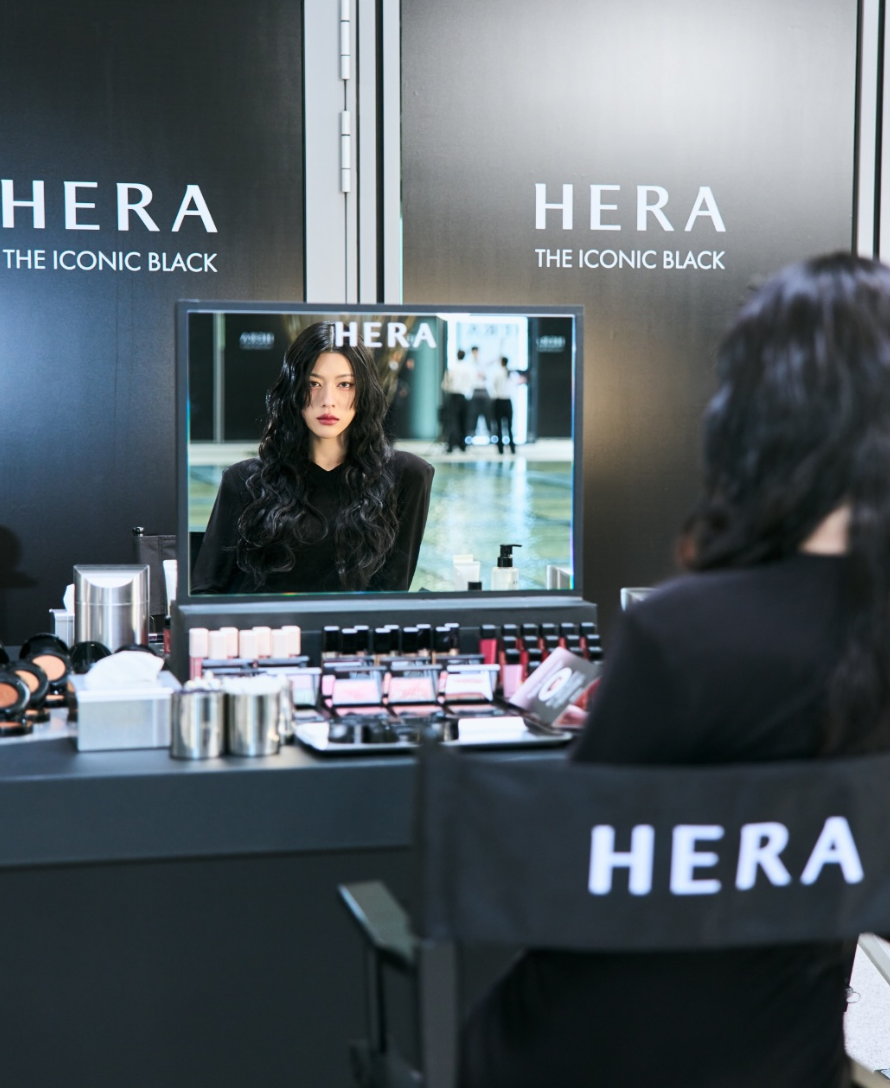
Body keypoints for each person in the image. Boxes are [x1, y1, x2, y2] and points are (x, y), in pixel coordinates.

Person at [459, 253, 890, 1088]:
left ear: (756, 415)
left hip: (603, 1053)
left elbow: (568, 889)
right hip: (790, 1057)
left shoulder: (683, 637)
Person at [192, 321, 434, 594]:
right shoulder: (243, 481)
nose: (328, 400)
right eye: (313, 383)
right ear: (293, 390)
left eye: (345, 384)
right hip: (262, 622)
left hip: (357, 624)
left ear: (363, 391)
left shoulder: (407, 476)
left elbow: (391, 596)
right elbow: (205, 592)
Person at [441, 348, 473, 451]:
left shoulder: (452, 368)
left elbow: (445, 385)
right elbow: (471, 383)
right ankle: (463, 445)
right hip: (464, 396)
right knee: (463, 420)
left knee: (453, 421)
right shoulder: (467, 368)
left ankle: (451, 444)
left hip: (454, 396)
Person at [490, 356, 516, 454]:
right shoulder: (511, 374)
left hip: (499, 401)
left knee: (499, 426)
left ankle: (500, 448)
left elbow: (493, 386)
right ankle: (512, 448)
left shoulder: (498, 373)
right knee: (509, 426)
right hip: (507, 401)